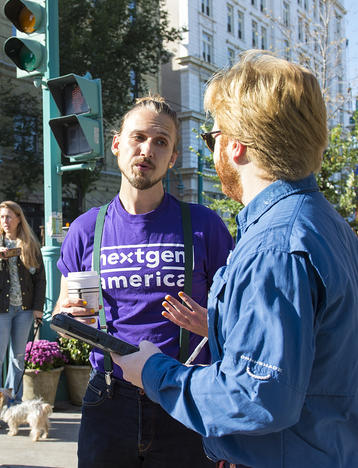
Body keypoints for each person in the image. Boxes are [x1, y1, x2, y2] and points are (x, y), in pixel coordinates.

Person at [113, 51, 358, 468]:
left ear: (235, 146)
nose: (212, 151)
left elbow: (256, 397)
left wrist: (153, 370)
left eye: (212, 139)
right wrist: (226, 325)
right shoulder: (325, 224)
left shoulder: (274, 245)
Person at [55, 95, 234, 467]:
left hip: (183, 397)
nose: (147, 150)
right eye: (138, 138)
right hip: (107, 400)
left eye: (161, 142)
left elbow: (241, 322)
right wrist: (67, 317)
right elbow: (63, 316)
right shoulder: (87, 230)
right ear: (117, 145)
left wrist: (212, 325)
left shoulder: (205, 226)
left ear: (172, 158)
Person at [0, 200, 46, 427]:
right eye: (2, 217)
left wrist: (37, 309)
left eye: (9, 217)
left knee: (18, 360)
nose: (5, 221)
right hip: (0, 311)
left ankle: (14, 410)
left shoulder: (30, 244)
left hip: (23, 311)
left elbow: (40, 279)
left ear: (19, 219)